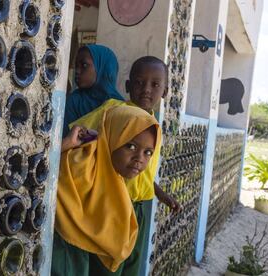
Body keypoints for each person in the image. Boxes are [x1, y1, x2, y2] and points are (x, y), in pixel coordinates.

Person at [69, 56, 181, 275]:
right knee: (108, 266)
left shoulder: (154, 126)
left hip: (140, 207)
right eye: (139, 82)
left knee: (132, 264)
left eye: (155, 84)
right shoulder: (114, 112)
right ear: (128, 86)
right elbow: (82, 138)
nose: (146, 89)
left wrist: (160, 193)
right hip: (112, 203)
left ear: (166, 91)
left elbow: (143, 171)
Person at [52, 105, 161, 276]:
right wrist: (65, 145)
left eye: (148, 152)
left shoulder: (113, 179)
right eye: (131, 146)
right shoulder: (81, 163)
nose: (139, 159)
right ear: (112, 137)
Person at [62, 44, 124, 137]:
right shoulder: (74, 101)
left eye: (84, 65)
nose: (77, 71)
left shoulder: (120, 106)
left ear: (103, 67)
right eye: (76, 66)